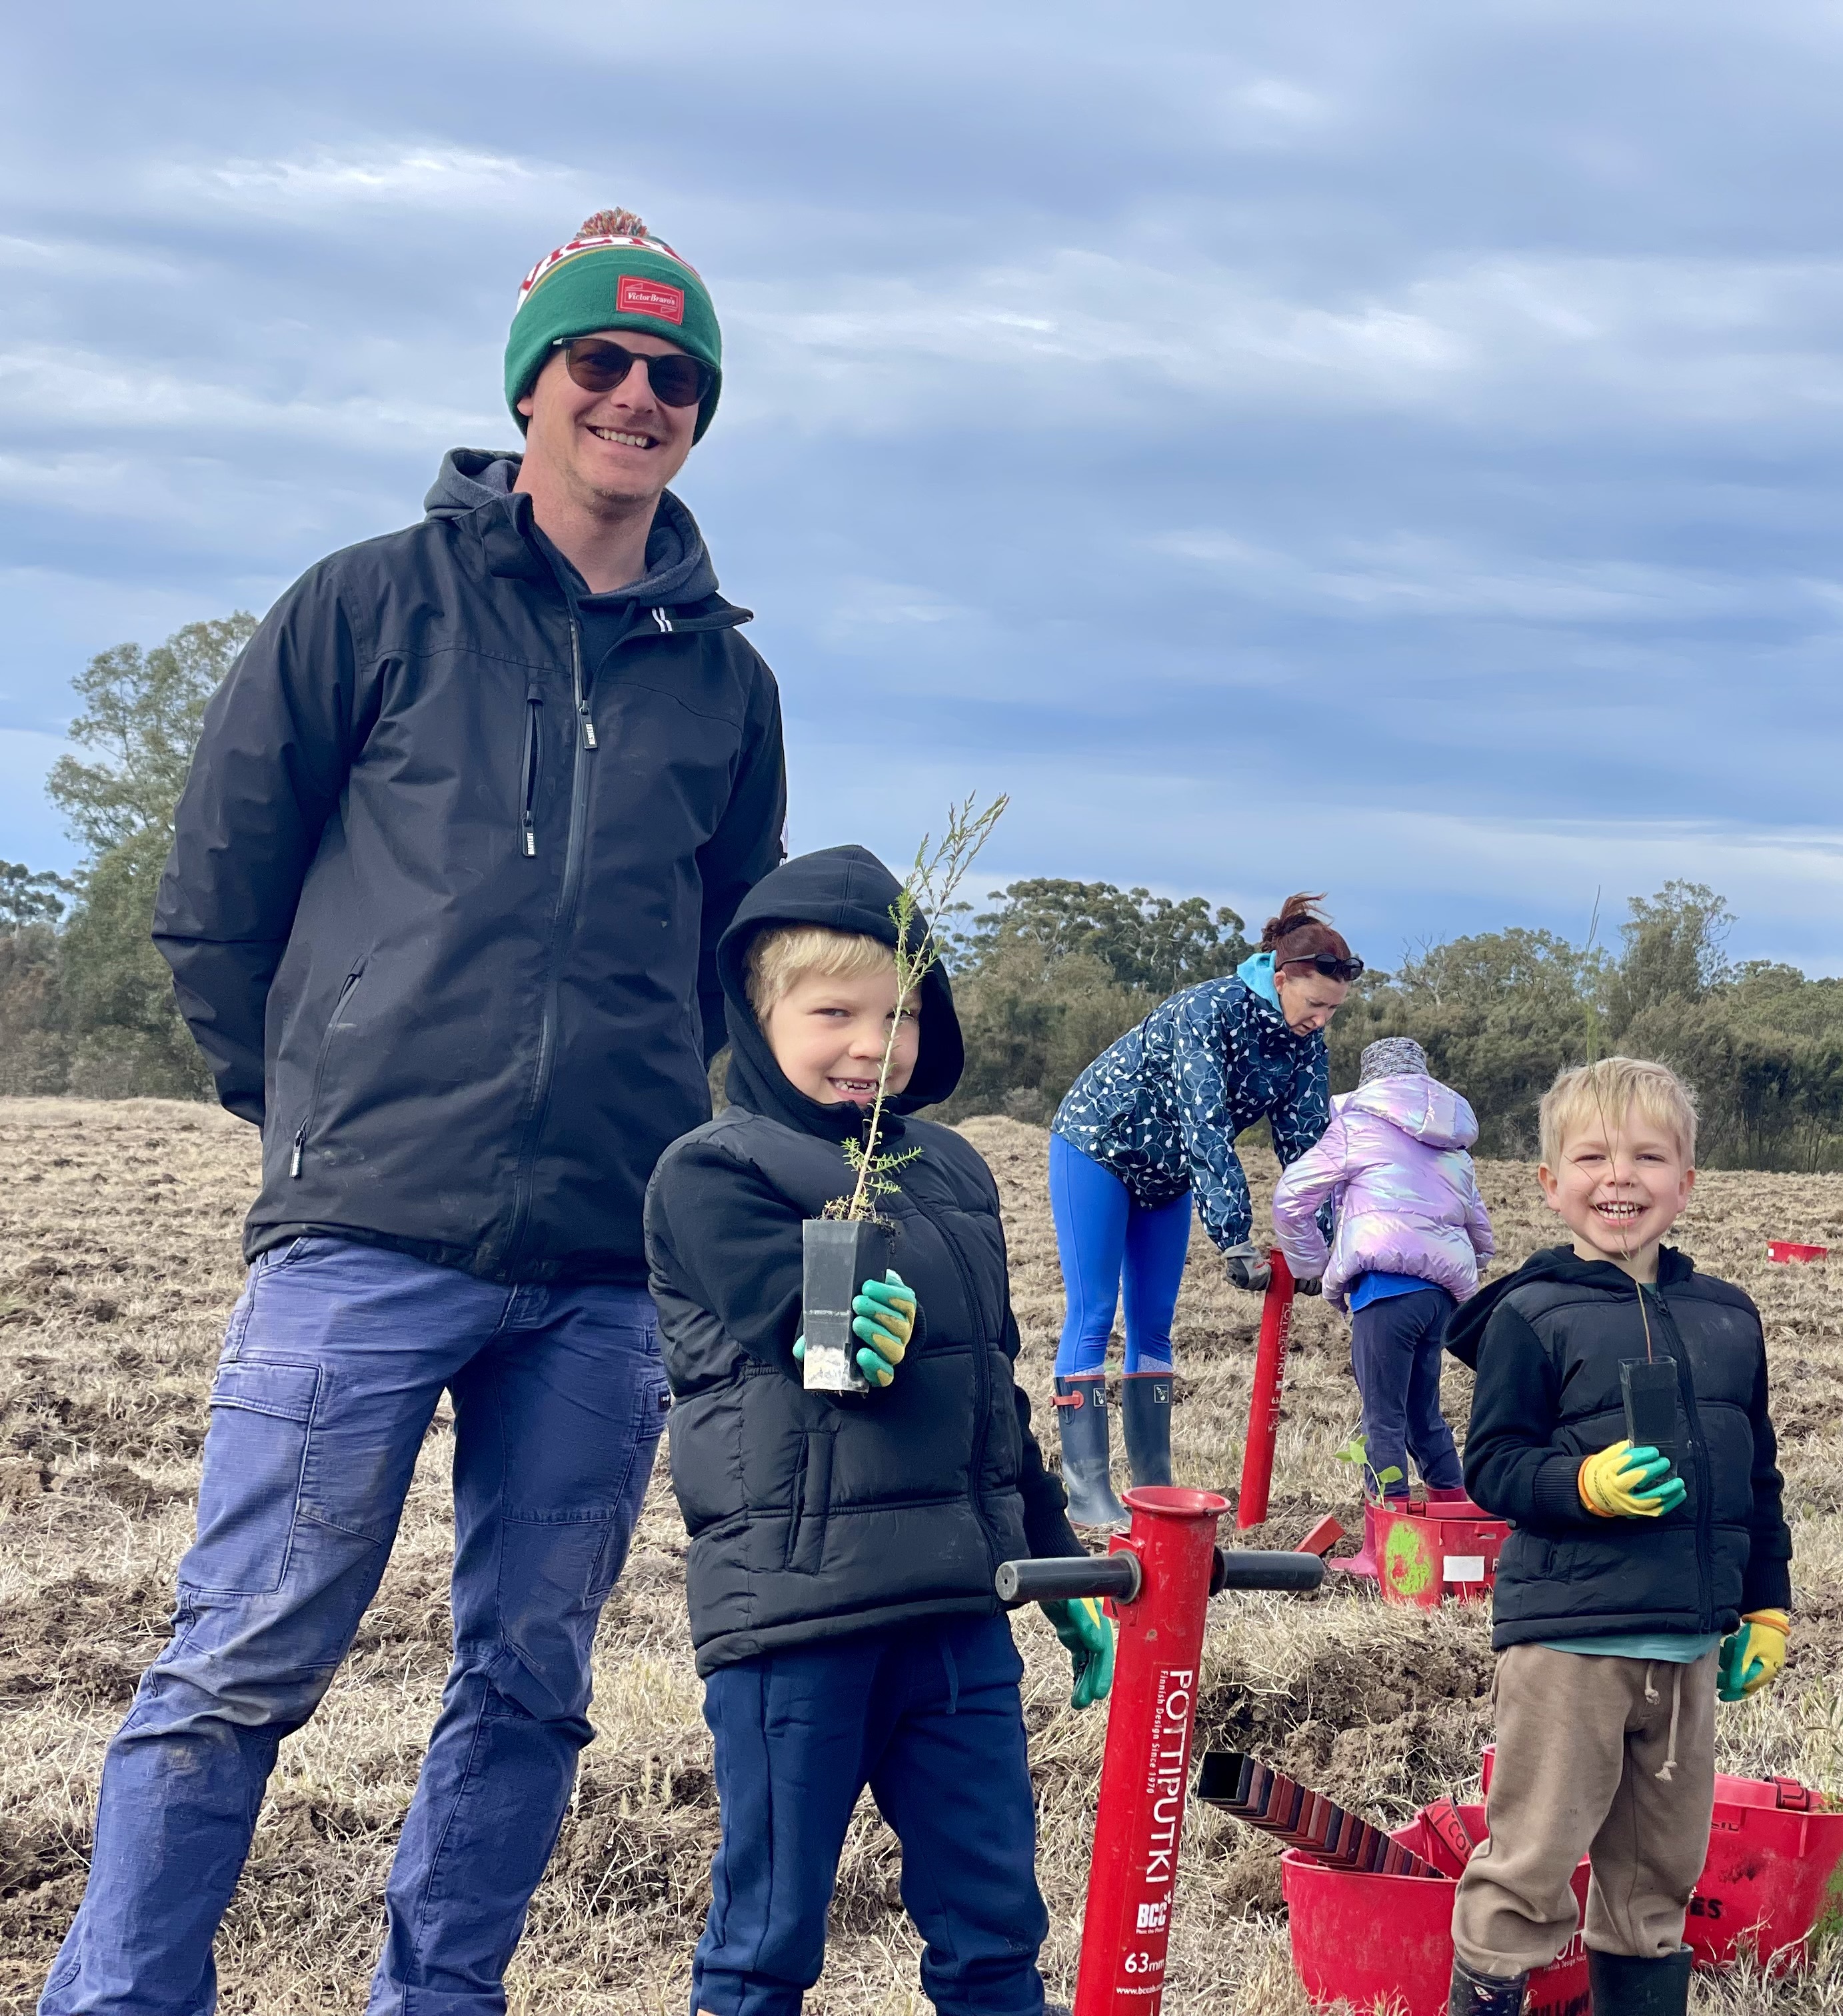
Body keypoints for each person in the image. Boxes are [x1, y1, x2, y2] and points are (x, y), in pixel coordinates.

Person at [48, 211, 788, 2016]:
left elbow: (735, 961)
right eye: (600, 363)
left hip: (607, 1272)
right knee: (239, 1660)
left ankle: (438, 1998)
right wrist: (311, 1112)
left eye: (671, 375)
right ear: (531, 382)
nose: (635, 396)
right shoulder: (368, 604)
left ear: (700, 413)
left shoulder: (728, 683)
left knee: (532, 1683)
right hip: (364, 1242)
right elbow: (217, 893)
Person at [645, 845, 1111, 2016]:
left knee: (996, 1910)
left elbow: (987, 1393)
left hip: (957, 1608)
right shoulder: (713, 1169)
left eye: (898, 1013)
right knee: (770, 1923)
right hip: (800, 1613)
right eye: (833, 1011)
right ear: (760, 1018)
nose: (870, 1042)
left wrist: (1057, 1566)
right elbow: (798, 1339)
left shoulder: (950, 1168)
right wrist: (844, 1323)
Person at [1443, 1059, 1794, 2016]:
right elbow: (1495, 1465)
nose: (1620, 1178)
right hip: (1570, 1643)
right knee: (1534, 1855)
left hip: (1685, 1651)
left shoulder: (1728, 1316)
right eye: (1592, 1156)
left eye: (1648, 1156)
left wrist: (1764, 1603)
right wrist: (1584, 1483)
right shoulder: (1532, 1314)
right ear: (1550, 1183)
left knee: (1656, 1877)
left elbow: (1756, 1477)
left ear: (1688, 1180)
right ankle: (1488, 1991)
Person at [1045, 894, 1354, 1519]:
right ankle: (1087, 1494)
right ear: (1282, 974)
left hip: (1168, 1175)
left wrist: (1321, 1248)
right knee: (1095, 1312)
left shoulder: (1303, 1046)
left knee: (1155, 1322)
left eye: (1333, 1010)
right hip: (1098, 1148)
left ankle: (1152, 1491)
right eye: (1315, 1003)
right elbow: (1205, 1124)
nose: (1321, 1020)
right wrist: (1234, 1236)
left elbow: (1307, 1148)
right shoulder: (1208, 1012)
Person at [1270, 1035, 1499, 1575]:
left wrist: (1310, 1263)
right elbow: (1481, 1232)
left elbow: (1291, 1196)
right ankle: (1462, 1531)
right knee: (1424, 1415)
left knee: (1383, 1419)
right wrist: (1464, 1265)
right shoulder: (1454, 1147)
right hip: (1440, 1301)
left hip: (1383, 1291)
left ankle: (1385, 1550)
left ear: (1371, 1083)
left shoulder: (1355, 1127)